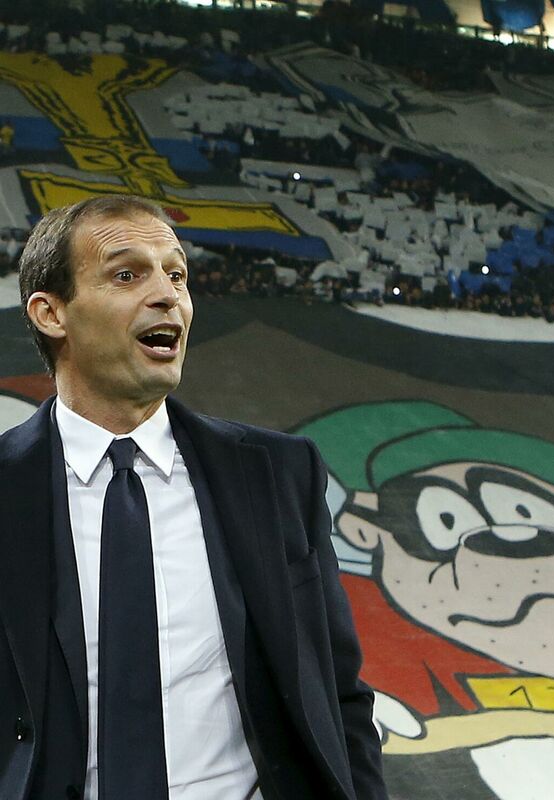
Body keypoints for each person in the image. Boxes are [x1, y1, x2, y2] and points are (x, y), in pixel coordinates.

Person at [2, 195, 386, 800]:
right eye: (127, 275)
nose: (167, 295)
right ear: (51, 313)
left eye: (177, 275)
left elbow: (338, 692)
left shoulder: (278, 474)